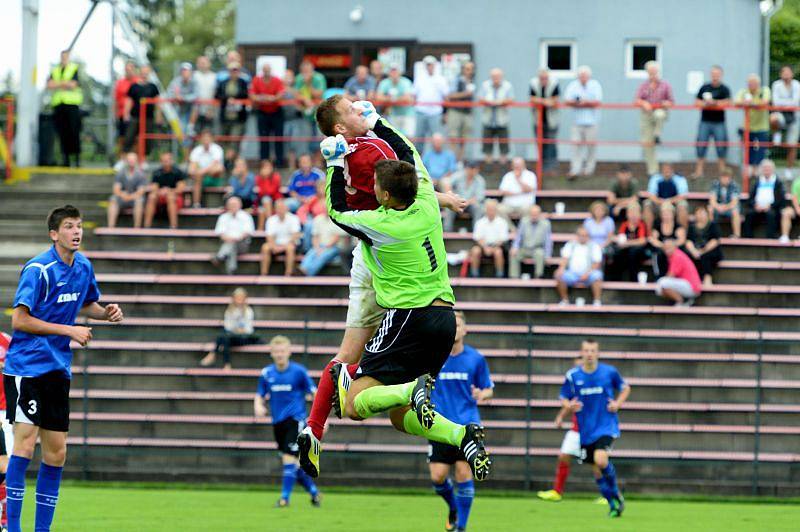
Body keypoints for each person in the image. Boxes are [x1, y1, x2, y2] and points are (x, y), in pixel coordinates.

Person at [296, 96, 466, 479]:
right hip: (385, 257)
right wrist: (379, 123)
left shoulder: (352, 154)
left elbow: (374, 195)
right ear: (340, 127)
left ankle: (314, 427)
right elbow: (406, 176)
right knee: (363, 391)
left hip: (371, 246)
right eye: (353, 111)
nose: (360, 111)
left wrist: (333, 163)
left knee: (353, 369)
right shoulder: (372, 149)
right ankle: (382, 391)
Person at [4, 205, 123, 532]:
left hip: (57, 370)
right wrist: (69, 330)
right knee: (25, 446)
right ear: (54, 234)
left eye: (80, 226)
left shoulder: (83, 266)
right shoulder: (38, 269)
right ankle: (13, 529)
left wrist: (105, 312)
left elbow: (85, 305)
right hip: (26, 367)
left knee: (57, 454)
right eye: (69, 226)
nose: (77, 231)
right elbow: (19, 319)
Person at [428, 311, 493, 532]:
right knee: (437, 477)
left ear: (465, 330)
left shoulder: (476, 359)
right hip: (439, 425)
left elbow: (488, 388)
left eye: (458, 324)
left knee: (464, 473)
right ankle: (454, 508)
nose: (455, 328)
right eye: (451, 324)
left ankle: (461, 527)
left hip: (467, 425)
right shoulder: (434, 356)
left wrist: (483, 395)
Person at [559, 339, 630, 517]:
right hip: (586, 430)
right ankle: (614, 505)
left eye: (593, 351)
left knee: (600, 459)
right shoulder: (573, 376)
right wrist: (569, 405)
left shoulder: (609, 372)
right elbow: (564, 397)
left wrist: (617, 403)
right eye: (586, 351)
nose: (589, 354)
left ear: (598, 353)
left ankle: (616, 494)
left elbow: (625, 388)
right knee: (596, 470)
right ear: (581, 353)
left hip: (606, 426)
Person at [254, 336, 321, 508]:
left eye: (282, 351)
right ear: (271, 353)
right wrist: (258, 406)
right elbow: (259, 394)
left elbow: (315, 394)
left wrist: (320, 419)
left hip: (296, 420)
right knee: (294, 464)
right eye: (276, 351)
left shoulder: (299, 372)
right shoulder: (267, 373)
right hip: (278, 423)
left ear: (289, 352)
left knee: (288, 458)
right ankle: (314, 493)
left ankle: (284, 498)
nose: (279, 354)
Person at [537, 356, 582, 502]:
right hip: (576, 430)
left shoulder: (594, 384)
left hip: (592, 430)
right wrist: (560, 416)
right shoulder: (575, 385)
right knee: (563, 456)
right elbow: (569, 403)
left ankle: (607, 495)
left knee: (597, 462)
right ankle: (557, 491)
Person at [200, 287, 259, 369]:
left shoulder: (248, 311)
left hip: (243, 337)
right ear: (234, 299)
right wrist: (235, 330)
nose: (239, 300)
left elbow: (249, 329)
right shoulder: (229, 311)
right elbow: (227, 326)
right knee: (225, 337)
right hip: (231, 336)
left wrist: (241, 330)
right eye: (237, 298)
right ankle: (226, 364)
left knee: (223, 336)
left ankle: (213, 354)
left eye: (241, 298)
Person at [634, 61, 674, 176]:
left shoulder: (665, 85)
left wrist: (666, 103)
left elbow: (671, 101)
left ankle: (657, 134)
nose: (653, 75)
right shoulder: (643, 86)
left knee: (659, 114)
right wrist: (643, 103)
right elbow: (636, 100)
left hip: (660, 114)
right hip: (646, 116)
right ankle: (653, 170)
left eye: (654, 72)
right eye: (650, 73)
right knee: (647, 143)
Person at [564, 66, 603, 179]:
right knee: (576, 146)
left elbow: (597, 101)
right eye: (581, 76)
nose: (583, 78)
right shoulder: (573, 85)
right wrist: (578, 103)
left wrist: (584, 103)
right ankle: (575, 169)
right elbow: (567, 100)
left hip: (592, 121)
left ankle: (589, 170)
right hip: (576, 121)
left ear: (589, 76)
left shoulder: (595, 85)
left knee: (591, 147)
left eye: (585, 76)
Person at [693, 65, 731, 179]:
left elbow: (728, 102)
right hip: (705, 122)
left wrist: (714, 103)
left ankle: (723, 175)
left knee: (721, 147)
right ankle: (699, 172)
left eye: (717, 74)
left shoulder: (725, 89)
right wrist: (706, 104)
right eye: (713, 74)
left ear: (721, 75)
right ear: (711, 75)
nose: (715, 77)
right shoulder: (704, 87)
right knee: (701, 146)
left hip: (719, 123)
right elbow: (696, 102)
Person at [47, 50, 83, 167]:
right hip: (58, 105)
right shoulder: (55, 69)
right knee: (62, 132)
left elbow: (73, 85)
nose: (64, 58)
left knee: (74, 131)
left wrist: (58, 83)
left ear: (69, 57)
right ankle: (65, 159)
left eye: (66, 57)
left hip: (72, 104)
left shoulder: (74, 68)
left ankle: (76, 159)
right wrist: (65, 83)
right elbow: (49, 85)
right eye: (62, 56)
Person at [555, 226, 604, 306]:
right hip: (572, 274)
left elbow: (597, 263)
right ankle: (565, 300)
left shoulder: (594, 246)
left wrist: (587, 274)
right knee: (559, 275)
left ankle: (597, 301)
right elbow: (564, 259)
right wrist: (561, 269)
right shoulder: (570, 244)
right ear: (577, 236)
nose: (582, 237)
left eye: (585, 235)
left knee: (597, 275)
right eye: (580, 235)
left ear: (588, 236)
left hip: (589, 274)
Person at [250, 63, 286, 166]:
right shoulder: (256, 80)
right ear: (262, 71)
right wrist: (266, 98)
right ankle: (264, 162)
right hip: (262, 112)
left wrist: (269, 98)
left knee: (278, 138)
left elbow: (280, 95)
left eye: (268, 70)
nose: (266, 72)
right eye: (265, 70)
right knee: (263, 138)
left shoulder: (277, 80)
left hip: (276, 112)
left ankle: (279, 162)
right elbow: (252, 95)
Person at [735, 74, 772, 177]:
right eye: (750, 83)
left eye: (754, 83)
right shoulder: (744, 92)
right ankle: (750, 170)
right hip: (748, 127)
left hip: (762, 126)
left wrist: (750, 103)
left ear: (758, 84)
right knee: (748, 148)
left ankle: (758, 170)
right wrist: (749, 103)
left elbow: (765, 102)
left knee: (761, 149)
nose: (752, 85)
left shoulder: (764, 90)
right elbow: (736, 102)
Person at [123, 64, 161, 154]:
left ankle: (144, 159)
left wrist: (159, 116)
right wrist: (126, 114)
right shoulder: (134, 86)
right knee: (129, 137)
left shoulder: (153, 87)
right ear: (140, 72)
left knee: (147, 140)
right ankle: (126, 158)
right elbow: (128, 101)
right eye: (143, 72)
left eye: (146, 72)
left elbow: (158, 102)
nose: (144, 74)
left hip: (149, 118)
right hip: (135, 116)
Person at [770, 65, 800, 178]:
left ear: (792, 74)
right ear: (780, 74)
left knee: (792, 145)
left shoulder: (797, 84)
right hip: (780, 115)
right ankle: (777, 133)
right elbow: (775, 102)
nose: (786, 75)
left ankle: (789, 170)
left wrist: (784, 103)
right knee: (773, 119)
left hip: (794, 117)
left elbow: (796, 102)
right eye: (784, 72)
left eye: (788, 72)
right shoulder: (776, 85)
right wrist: (789, 103)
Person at [743, 159, 786, 239]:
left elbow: (780, 198)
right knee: (749, 214)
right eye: (765, 168)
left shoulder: (778, 182)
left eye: (768, 168)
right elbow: (751, 197)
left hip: (772, 208)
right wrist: (755, 205)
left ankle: (771, 238)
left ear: (772, 169)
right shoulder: (757, 181)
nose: (766, 170)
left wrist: (770, 206)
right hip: (757, 207)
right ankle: (748, 238)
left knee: (771, 215)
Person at [479, 68, 514, 164]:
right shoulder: (485, 85)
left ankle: (502, 167)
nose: (496, 79)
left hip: (502, 120)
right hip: (488, 120)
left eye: (498, 76)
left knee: (504, 146)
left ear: (501, 77)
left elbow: (511, 99)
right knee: (487, 147)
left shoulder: (507, 86)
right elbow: (480, 98)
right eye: (494, 77)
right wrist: (490, 102)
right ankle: (488, 168)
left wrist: (500, 102)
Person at [213, 196, 255, 275]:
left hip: (242, 244)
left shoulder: (246, 216)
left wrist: (235, 239)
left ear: (240, 205)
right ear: (227, 206)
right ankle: (231, 269)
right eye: (231, 205)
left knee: (232, 244)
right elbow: (221, 234)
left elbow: (247, 233)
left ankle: (220, 256)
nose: (233, 207)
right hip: (228, 242)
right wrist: (232, 239)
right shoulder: (223, 217)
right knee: (232, 246)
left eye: (235, 205)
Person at [414, 55, 449, 148]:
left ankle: (435, 162)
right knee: (419, 139)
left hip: (436, 113)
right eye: (427, 65)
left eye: (431, 64)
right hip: (420, 112)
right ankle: (418, 161)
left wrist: (446, 113)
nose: (429, 66)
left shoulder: (441, 79)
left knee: (437, 139)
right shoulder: (419, 78)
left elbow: (446, 97)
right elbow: (414, 95)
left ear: (435, 65)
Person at [469, 199, 510, 278]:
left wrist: (492, 248)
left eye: (493, 209)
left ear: (496, 210)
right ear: (486, 210)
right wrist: (485, 247)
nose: (491, 211)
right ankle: (474, 274)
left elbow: (503, 239)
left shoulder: (502, 222)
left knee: (498, 252)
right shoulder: (480, 222)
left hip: (497, 246)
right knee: (475, 251)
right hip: (482, 246)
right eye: (489, 209)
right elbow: (477, 238)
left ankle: (500, 275)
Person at [144, 151, 186, 229]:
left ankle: (173, 226)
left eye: (168, 160)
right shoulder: (157, 173)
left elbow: (180, 189)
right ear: (161, 161)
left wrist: (169, 191)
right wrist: (161, 192)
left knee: (170, 197)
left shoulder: (178, 172)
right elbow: (154, 188)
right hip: (161, 196)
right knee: (151, 197)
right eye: (164, 160)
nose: (166, 162)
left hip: (175, 198)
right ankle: (147, 226)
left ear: (172, 160)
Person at [529, 68, 560, 174]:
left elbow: (555, 101)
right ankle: (541, 168)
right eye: (541, 78)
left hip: (551, 120)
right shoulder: (533, 83)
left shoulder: (554, 83)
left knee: (551, 143)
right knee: (540, 144)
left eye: (545, 78)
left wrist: (540, 101)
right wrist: (546, 101)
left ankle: (552, 167)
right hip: (538, 120)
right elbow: (532, 99)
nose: (543, 80)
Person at [509, 204, 552, 279]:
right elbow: (519, 236)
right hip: (525, 248)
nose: (534, 216)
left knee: (540, 254)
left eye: (536, 214)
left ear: (539, 214)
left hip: (537, 248)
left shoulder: (546, 224)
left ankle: (538, 276)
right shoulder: (524, 221)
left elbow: (548, 241)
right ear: (529, 214)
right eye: (532, 214)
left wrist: (548, 255)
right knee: (513, 254)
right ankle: (514, 277)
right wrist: (515, 247)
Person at [260, 199, 301, 276]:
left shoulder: (294, 218)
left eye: (282, 207)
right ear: (275, 209)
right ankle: (264, 273)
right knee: (265, 247)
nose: (280, 210)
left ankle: (288, 274)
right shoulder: (271, 220)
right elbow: (269, 236)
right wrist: (274, 246)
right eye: (278, 208)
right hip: (276, 244)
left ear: (287, 208)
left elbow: (295, 235)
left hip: (290, 243)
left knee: (290, 248)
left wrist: (283, 247)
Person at [609, 202, 648, 282]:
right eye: (631, 212)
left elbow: (642, 241)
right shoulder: (625, 225)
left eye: (636, 213)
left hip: (639, 251)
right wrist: (615, 239)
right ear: (627, 214)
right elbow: (621, 238)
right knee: (618, 253)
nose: (633, 215)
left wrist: (627, 243)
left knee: (633, 252)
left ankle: (633, 279)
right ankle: (616, 279)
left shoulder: (641, 224)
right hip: (627, 249)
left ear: (640, 215)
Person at [442, 160, 486, 232]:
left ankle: (476, 232)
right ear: (466, 168)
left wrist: (467, 202)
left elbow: (479, 197)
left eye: (474, 169)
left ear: (477, 170)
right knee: (449, 207)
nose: (472, 171)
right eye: (470, 168)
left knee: (478, 208)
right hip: (456, 201)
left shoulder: (480, 180)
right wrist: (451, 196)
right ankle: (447, 231)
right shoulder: (459, 175)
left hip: (470, 204)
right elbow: (447, 184)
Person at [655, 240, 702, 306]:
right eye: (665, 248)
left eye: (669, 247)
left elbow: (670, 275)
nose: (667, 250)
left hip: (691, 287)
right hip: (688, 285)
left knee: (662, 283)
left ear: (675, 247)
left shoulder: (677, 256)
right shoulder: (674, 255)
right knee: (660, 287)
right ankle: (684, 300)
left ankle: (682, 301)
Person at [294, 61, 327, 155]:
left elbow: (319, 94)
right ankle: (307, 160)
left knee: (319, 139)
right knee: (305, 140)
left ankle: (318, 162)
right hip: (305, 114)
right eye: (304, 71)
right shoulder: (299, 78)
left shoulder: (319, 78)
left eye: (308, 71)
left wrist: (308, 83)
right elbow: (296, 94)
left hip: (319, 114)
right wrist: (305, 100)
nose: (306, 74)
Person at [107, 152, 147, 229]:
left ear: (136, 161)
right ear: (126, 161)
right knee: (113, 199)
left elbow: (140, 191)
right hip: (122, 197)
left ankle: (137, 228)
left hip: (135, 198)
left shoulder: (141, 174)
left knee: (139, 200)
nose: (131, 161)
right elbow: (116, 189)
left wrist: (130, 196)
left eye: (133, 160)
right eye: (129, 160)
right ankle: (110, 227)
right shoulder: (120, 173)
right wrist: (122, 195)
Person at [215, 62, 249, 152]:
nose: (234, 72)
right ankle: (225, 162)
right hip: (225, 116)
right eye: (232, 70)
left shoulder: (243, 83)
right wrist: (227, 99)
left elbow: (246, 95)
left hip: (238, 117)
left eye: (236, 70)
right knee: (223, 140)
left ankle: (234, 162)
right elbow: (217, 95)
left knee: (235, 141)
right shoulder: (223, 82)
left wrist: (235, 99)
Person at [300, 211, 346, 276]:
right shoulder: (318, 219)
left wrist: (324, 248)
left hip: (334, 247)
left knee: (323, 256)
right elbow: (315, 236)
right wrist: (317, 247)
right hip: (320, 245)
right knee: (310, 254)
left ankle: (307, 274)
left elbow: (336, 238)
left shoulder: (337, 219)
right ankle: (302, 269)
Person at [648, 203, 687, 278]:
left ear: (673, 214)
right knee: (658, 253)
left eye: (668, 213)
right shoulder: (657, 225)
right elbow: (653, 239)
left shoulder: (677, 226)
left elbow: (682, 240)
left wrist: (671, 247)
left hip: (674, 249)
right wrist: (664, 246)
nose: (666, 216)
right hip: (661, 249)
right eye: (664, 213)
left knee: (679, 253)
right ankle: (658, 277)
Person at [685, 206, 723, 285]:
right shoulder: (692, 227)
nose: (700, 215)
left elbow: (715, 241)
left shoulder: (712, 225)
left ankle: (707, 277)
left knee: (706, 256)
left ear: (707, 214)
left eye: (702, 213)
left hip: (709, 250)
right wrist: (694, 251)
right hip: (695, 250)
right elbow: (688, 241)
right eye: (698, 213)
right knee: (687, 254)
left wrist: (702, 251)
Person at [446, 61, 476, 161]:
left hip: (467, 113)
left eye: (471, 69)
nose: (470, 71)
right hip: (455, 112)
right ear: (463, 70)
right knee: (453, 138)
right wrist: (465, 94)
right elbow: (450, 95)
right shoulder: (456, 80)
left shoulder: (472, 81)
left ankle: (461, 160)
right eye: (467, 69)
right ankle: (453, 162)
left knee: (465, 139)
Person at [188, 130, 225, 207]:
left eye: (207, 138)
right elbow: (191, 168)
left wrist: (201, 171)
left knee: (219, 168)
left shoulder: (217, 149)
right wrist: (199, 172)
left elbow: (215, 165)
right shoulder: (196, 150)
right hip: (200, 177)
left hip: (213, 175)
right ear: (201, 139)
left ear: (211, 139)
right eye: (204, 138)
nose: (206, 140)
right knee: (196, 174)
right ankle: (196, 204)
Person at [376, 64, 415, 137]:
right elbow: (378, 97)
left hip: (407, 114)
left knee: (409, 137)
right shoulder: (384, 82)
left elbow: (408, 98)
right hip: (392, 114)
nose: (394, 73)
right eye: (392, 71)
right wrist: (395, 99)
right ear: (389, 73)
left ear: (400, 72)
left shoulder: (406, 82)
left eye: (395, 71)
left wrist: (391, 99)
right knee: (394, 138)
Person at [166, 62, 198, 147]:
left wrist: (183, 98)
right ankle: (180, 151)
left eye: (187, 71)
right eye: (183, 71)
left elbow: (196, 95)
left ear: (191, 72)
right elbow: (169, 93)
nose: (185, 73)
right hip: (179, 111)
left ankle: (191, 127)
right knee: (180, 135)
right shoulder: (176, 81)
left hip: (192, 111)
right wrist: (175, 98)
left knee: (196, 106)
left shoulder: (194, 82)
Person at [708, 167, 742, 238]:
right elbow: (712, 200)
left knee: (735, 211)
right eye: (723, 177)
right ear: (720, 177)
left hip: (729, 208)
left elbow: (734, 202)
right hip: (717, 207)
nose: (725, 179)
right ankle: (710, 233)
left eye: (727, 177)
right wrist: (718, 207)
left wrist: (725, 207)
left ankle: (736, 234)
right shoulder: (715, 184)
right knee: (710, 208)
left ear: (730, 178)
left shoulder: (734, 186)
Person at [114, 61, 138, 155]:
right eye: (127, 69)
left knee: (135, 137)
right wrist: (116, 115)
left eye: (131, 69)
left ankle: (134, 159)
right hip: (121, 114)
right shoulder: (120, 82)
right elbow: (116, 100)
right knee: (122, 137)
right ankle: (122, 158)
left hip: (134, 115)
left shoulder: (137, 82)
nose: (129, 71)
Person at [255, 159, 284, 230]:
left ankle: (270, 226)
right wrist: (264, 178)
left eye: (268, 167)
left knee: (266, 200)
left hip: (275, 200)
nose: (267, 169)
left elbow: (271, 191)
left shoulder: (276, 177)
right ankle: (262, 230)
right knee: (262, 210)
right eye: (264, 167)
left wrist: (265, 179)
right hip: (262, 202)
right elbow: (260, 193)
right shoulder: (258, 178)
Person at [192, 55, 217, 132]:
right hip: (194, 111)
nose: (202, 64)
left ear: (209, 64)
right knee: (194, 133)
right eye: (200, 62)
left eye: (204, 62)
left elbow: (215, 93)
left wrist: (211, 109)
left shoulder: (215, 77)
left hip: (210, 111)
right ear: (197, 64)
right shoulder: (193, 75)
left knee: (209, 133)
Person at [780, 173, 800, 243]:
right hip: (796, 206)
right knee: (786, 213)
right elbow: (794, 198)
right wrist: (798, 209)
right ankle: (785, 237)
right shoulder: (797, 182)